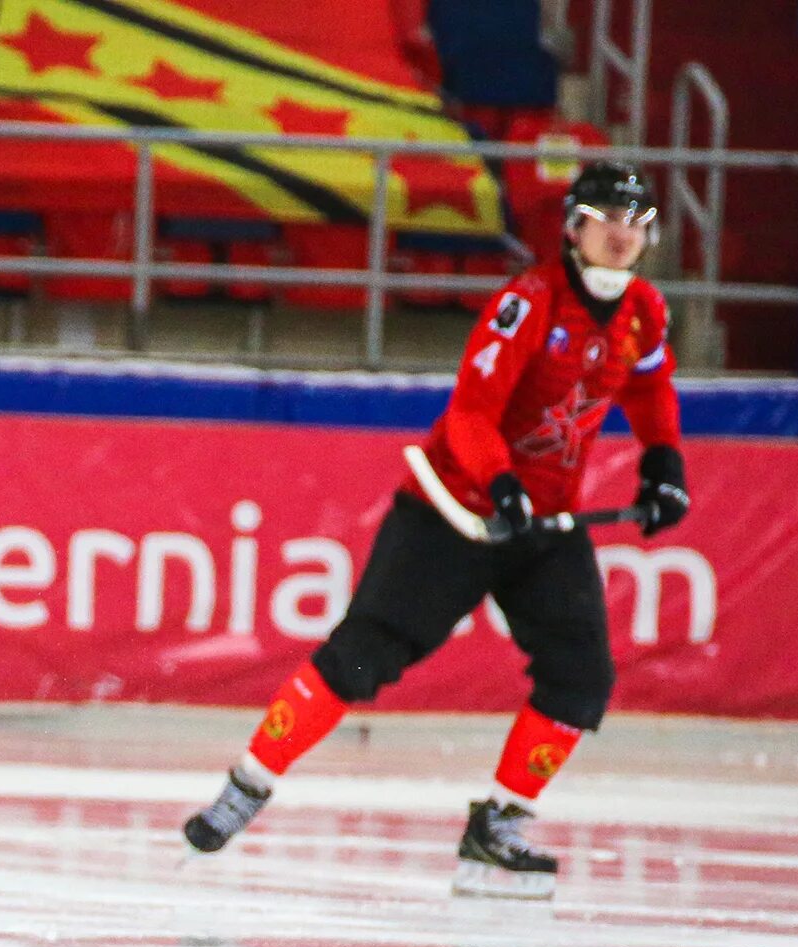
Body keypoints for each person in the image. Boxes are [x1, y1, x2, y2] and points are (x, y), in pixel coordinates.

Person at [183, 163, 690, 900]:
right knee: (359, 657)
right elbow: (471, 413)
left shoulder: (643, 310)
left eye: (635, 222)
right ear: (574, 227)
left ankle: (501, 823)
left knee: (582, 678)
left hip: (542, 526)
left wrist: (664, 466)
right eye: (607, 217)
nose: (621, 234)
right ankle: (248, 784)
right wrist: (502, 483)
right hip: (454, 513)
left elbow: (650, 389)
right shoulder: (530, 302)